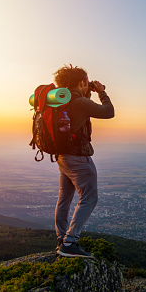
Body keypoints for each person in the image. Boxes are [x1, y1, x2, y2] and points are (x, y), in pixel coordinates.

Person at [52, 64, 114, 258]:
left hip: (63, 157)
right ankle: (70, 242)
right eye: (86, 83)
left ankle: (61, 238)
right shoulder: (78, 103)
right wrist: (102, 92)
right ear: (82, 82)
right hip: (78, 158)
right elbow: (108, 111)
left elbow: (79, 113)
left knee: (64, 199)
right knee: (89, 198)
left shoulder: (63, 100)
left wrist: (87, 92)